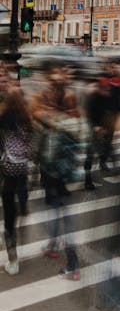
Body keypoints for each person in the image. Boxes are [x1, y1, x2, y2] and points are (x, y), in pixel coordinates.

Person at [32, 65, 82, 280]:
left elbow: (35, 122)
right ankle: (53, 244)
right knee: (57, 207)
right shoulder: (69, 100)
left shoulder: (44, 101)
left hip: (52, 164)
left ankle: (73, 263)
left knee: (60, 209)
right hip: (64, 165)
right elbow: (77, 129)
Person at [0, 80, 33, 276]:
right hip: (22, 166)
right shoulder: (27, 118)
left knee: (9, 214)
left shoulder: (3, 118)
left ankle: (13, 260)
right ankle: (23, 207)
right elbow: (31, 143)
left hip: (7, 168)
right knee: (21, 196)